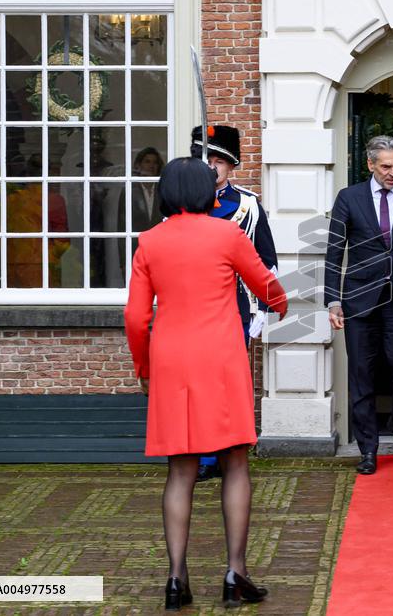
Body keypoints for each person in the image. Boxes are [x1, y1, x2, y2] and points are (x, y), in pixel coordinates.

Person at [124, 157, 288, 610]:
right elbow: (264, 283)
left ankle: (176, 580)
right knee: (235, 463)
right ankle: (236, 573)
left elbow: (136, 317)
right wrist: (282, 305)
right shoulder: (227, 233)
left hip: (172, 361)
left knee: (181, 470)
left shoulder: (149, 241)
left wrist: (143, 367)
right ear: (207, 193)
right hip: (220, 358)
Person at [324, 135, 393, 475]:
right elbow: (334, 251)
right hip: (359, 301)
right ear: (370, 164)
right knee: (361, 376)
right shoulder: (349, 198)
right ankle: (367, 448)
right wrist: (333, 300)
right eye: (386, 166)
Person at [190, 125, 279, 482]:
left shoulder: (247, 206)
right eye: (206, 161)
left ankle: (220, 454)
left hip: (235, 307)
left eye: (219, 161)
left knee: (224, 385)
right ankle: (198, 453)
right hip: (191, 307)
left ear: (231, 166)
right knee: (196, 384)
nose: (212, 168)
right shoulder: (180, 204)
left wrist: (262, 309)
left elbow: (265, 261)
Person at [132, 146, 164, 232]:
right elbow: (123, 226)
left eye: (155, 162)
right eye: (147, 162)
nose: (151, 166)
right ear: (139, 165)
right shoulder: (130, 191)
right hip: (136, 242)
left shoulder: (162, 191)